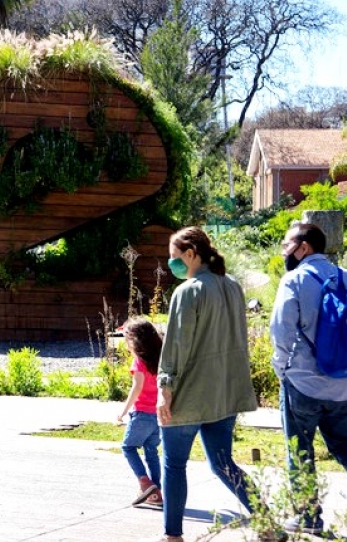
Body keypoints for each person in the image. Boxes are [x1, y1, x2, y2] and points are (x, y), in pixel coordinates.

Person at [270, 222, 347, 536]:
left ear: (303, 246)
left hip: (304, 383)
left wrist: (282, 371)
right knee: (342, 444)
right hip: (344, 383)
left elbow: (281, 331)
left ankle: (308, 516)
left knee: (299, 450)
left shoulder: (294, 280)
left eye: (288, 244)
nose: (285, 250)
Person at [146, 226, 260, 542]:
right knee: (224, 464)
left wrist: (164, 391)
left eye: (174, 258)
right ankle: (265, 517)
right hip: (224, 395)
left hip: (190, 395)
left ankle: (173, 536)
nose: (172, 265)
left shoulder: (189, 291)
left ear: (191, 254)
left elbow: (176, 347)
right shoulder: (233, 287)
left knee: (174, 466)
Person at [117, 317, 163, 508]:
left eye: (127, 340)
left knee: (128, 447)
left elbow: (136, 388)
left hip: (142, 414)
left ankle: (145, 483)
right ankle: (156, 494)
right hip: (158, 416)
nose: (126, 344)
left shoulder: (139, 362)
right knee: (151, 452)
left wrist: (122, 412)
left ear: (136, 341)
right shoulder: (161, 358)